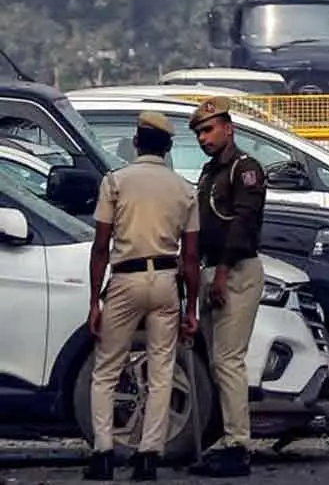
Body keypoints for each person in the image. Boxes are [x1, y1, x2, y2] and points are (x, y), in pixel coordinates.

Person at [84, 112, 200, 482]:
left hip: (125, 279)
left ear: (136, 142)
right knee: (162, 370)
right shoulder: (184, 189)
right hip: (166, 279)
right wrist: (191, 309)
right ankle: (149, 456)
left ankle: (103, 454)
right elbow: (192, 256)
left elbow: (101, 246)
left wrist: (93, 302)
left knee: (106, 369)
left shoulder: (115, 182)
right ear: (168, 148)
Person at [188, 96, 267, 478]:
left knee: (228, 360)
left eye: (209, 129)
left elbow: (243, 224)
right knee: (217, 362)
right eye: (199, 132)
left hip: (236, 270)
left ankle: (238, 445)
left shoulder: (244, 169)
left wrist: (220, 272)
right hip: (211, 270)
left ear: (228, 128)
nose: (204, 137)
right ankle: (224, 440)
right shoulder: (209, 174)